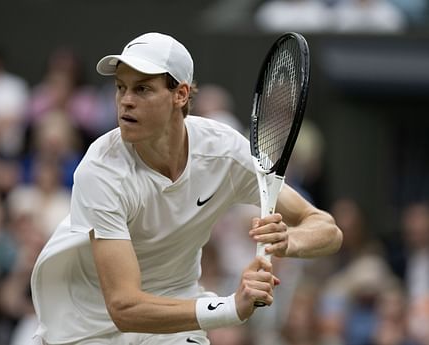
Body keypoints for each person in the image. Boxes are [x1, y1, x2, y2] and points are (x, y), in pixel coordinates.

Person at [30, 32, 342, 345]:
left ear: (180, 95)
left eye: (142, 89)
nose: (126, 100)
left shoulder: (223, 152)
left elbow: (327, 229)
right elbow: (124, 307)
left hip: (174, 315)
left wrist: (288, 241)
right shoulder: (101, 170)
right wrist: (229, 307)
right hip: (85, 327)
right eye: (121, 88)